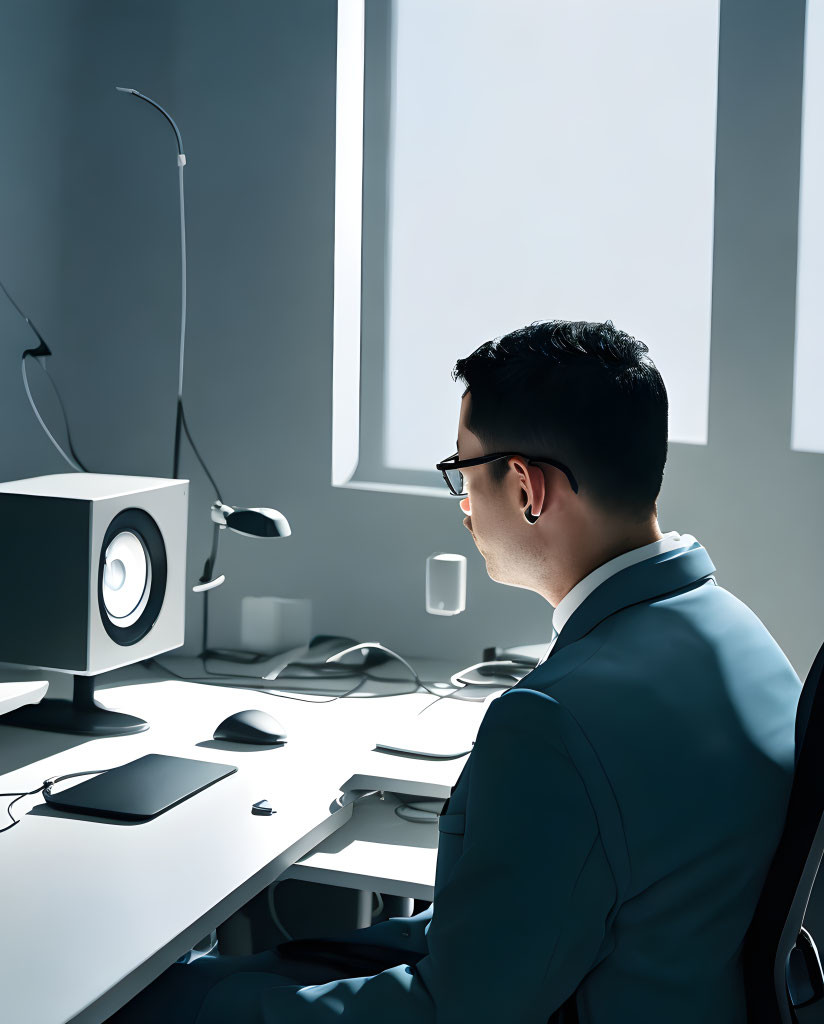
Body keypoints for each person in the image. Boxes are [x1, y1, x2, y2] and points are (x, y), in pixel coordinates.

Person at [107, 320, 800, 1023]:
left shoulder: (553, 721)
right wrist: (258, 972)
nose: (464, 506)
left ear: (527, 488)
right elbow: (509, 931)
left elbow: (451, 1013)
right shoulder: (739, 633)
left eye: (463, 473)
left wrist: (190, 1003)